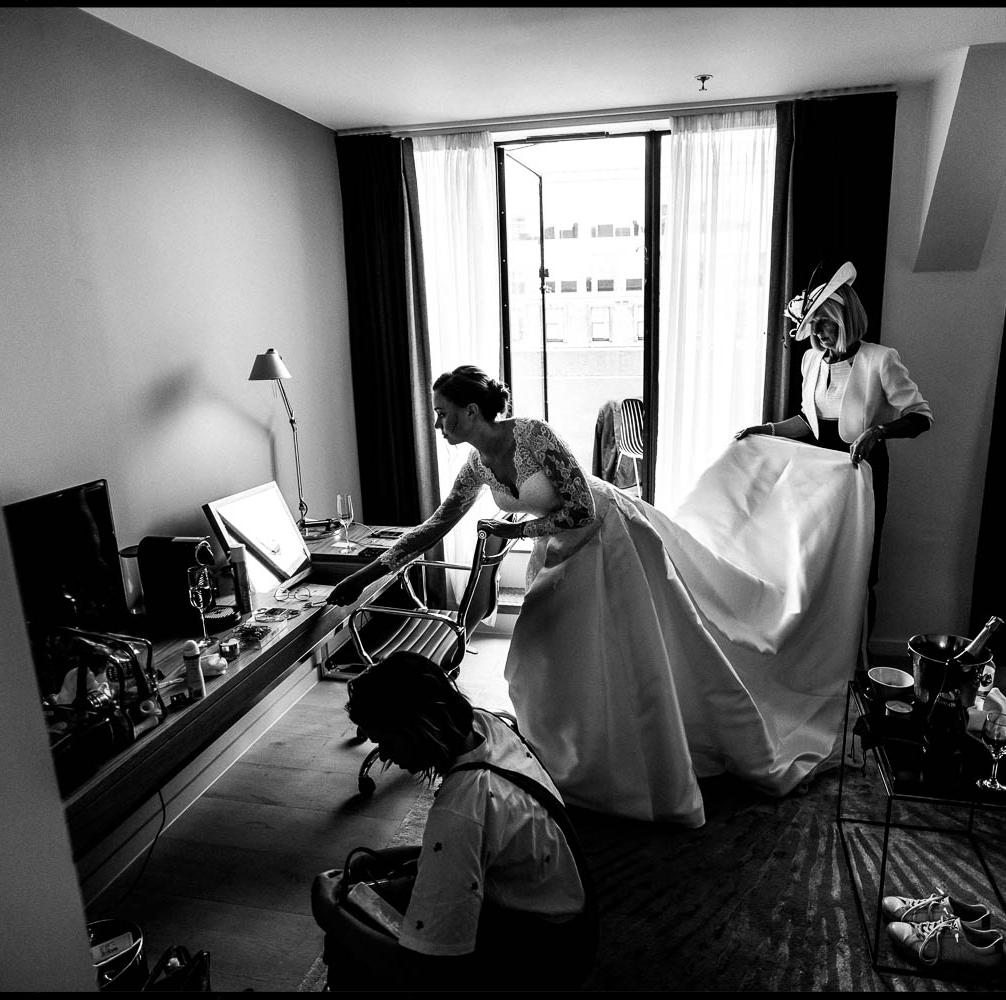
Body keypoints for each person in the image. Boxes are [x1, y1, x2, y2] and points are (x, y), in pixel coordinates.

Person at [328, 365, 833, 829]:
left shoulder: (533, 436)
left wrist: (514, 533)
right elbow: (435, 526)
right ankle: (571, 762)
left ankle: (632, 765)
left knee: (629, 654)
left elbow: (584, 509)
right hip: (559, 549)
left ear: (471, 412)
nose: (437, 424)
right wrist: (369, 574)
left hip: (611, 538)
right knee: (535, 659)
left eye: (442, 414)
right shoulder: (478, 467)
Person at [310, 650, 596, 991]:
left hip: (544, 961)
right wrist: (402, 857)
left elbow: (425, 971)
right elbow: (488, 838)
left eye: (385, 741)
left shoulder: (462, 807)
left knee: (353, 932)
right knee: (386, 884)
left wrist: (328, 911)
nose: (384, 755)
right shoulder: (487, 726)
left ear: (417, 727)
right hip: (573, 927)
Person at [736, 261, 932, 632]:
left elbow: (921, 417)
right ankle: (814, 649)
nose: (818, 333)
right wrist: (766, 429)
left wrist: (877, 432)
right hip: (816, 474)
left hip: (862, 474)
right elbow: (808, 421)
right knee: (812, 564)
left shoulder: (880, 359)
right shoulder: (811, 360)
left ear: (844, 318)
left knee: (859, 568)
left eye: (825, 323)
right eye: (813, 325)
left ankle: (857, 661)